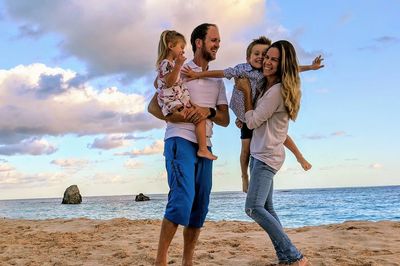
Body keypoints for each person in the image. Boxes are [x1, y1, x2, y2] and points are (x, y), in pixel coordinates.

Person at [182, 36, 323, 192]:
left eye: (265, 55)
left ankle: (300, 157)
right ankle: (244, 177)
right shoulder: (242, 69)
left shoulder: (266, 72)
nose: (261, 58)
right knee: (245, 150)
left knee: (281, 135)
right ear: (248, 57)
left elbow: (289, 68)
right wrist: (198, 75)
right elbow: (222, 73)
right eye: (257, 54)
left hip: (255, 114)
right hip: (245, 115)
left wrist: (310, 67)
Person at [147, 23, 229, 266]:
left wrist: (208, 111)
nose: (218, 45)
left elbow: (224, 119)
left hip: (206, 144)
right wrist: (175, 116)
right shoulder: (178, 68)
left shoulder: (217, 81)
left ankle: (187, 262)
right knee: (182, 197)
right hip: (179, 138)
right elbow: (153, 106)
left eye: (219, 41)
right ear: (199, 42)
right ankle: (160, 261)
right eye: (214, 40)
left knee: (200, 204)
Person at [235, 40, 310, 265]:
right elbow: (260, 123)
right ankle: (287, 258)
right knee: (267, 208)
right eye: (267, 56)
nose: (267, 62)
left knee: (253, 208)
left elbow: (255, 119)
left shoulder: (275, 91)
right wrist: (246, 117)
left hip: (265, 157)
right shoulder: (271, 88)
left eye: (274, 59)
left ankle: (295, 256)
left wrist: (247, 93)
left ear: (282, 64)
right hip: (263, 155)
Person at [156, 30, 217, 160]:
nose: (183, 51)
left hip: (177, 100)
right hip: (174, 102)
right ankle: (202, 149)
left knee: (199, 116)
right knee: (199, 118)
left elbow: (157, 83)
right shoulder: (167, 63)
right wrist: (178, 65)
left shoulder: (168, 65)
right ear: (171, 46)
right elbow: (169, 82)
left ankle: (202, 149)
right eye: (181, 48)